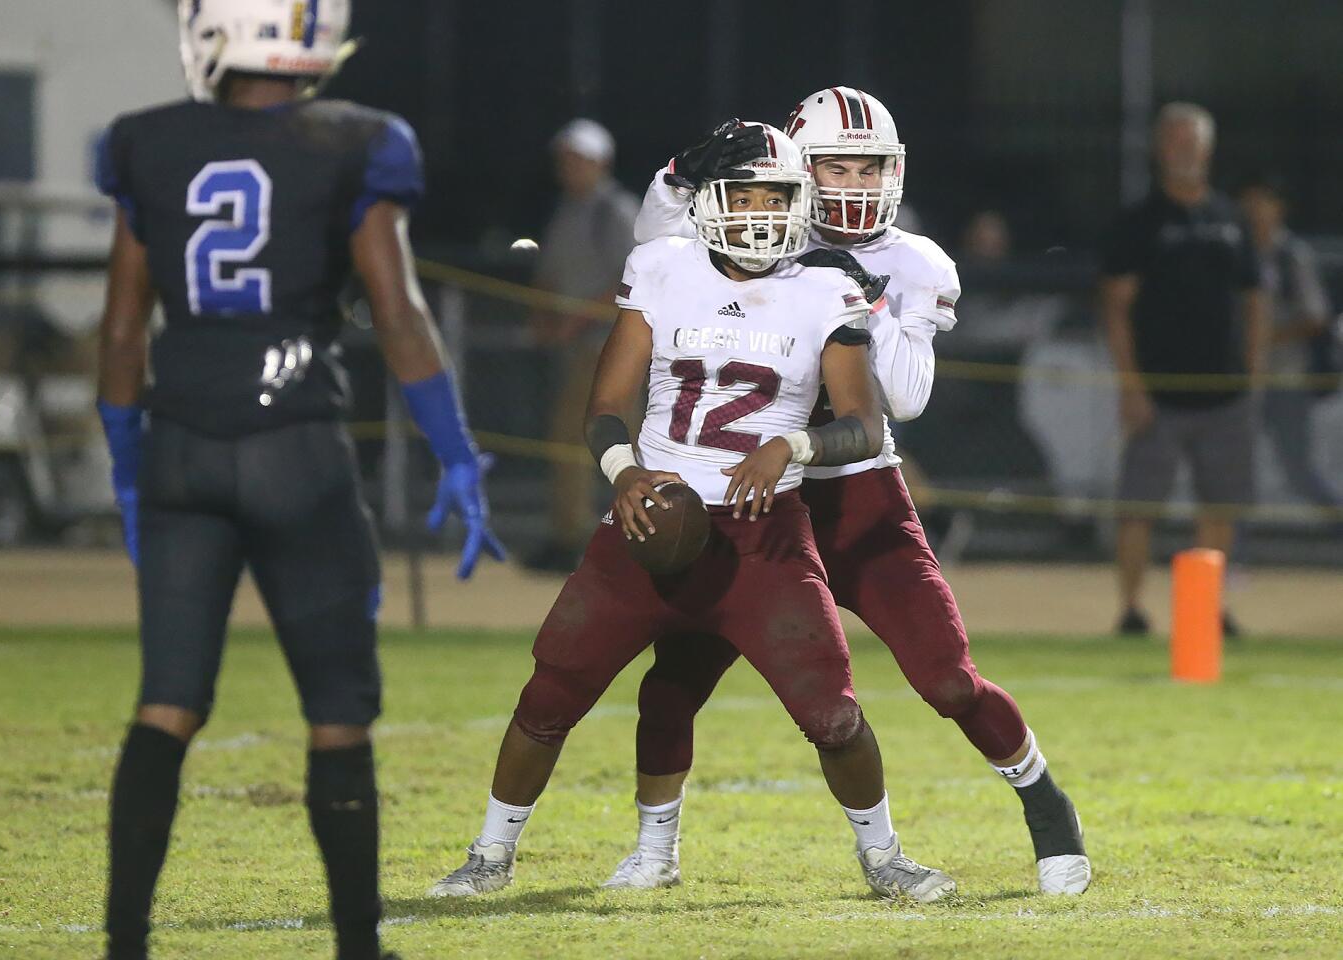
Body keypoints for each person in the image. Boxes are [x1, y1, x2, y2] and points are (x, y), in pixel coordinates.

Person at [429, 125, 955, 904]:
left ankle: (885, 860)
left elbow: (867, 424)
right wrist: (624, 472)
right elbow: (605, 405)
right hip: (652, 518)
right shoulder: (663, 268)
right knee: (550, 694)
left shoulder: (826, 286)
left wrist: (793, 448)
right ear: (710, 202)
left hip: (765, 530)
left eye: (774, 198)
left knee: (833, 715)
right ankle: (489, 856)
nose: (757, 214)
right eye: (741, 196)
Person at [93, 3, 503, 957]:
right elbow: (397, 314)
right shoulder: (354, 141)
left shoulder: (145, 142)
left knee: (168, 701)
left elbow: (120, 330)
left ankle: (123, 946)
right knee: (336, 710)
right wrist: (454, 452)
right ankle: (358, 946)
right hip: (299, 452)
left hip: (180, 446)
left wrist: (126, 473)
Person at [618, 88, 1090, 896]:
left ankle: (1047, 806)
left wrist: (857, 290)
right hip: (749, 501)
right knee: (676, 678)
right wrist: (677, 172)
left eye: (870, 166)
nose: (855, 182)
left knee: (946, 678)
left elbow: (904, 397)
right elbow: (655, 238)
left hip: (857, 492)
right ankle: (654, 849)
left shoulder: (914, 261)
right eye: (836, 164)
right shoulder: (751, 225)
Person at [1100, 102, 1268, 637]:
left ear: (1208, 149)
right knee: (1138, 505)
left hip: (1224, 390)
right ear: (1158, 149)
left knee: (1220, 506)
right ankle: (1131, 609)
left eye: (1192, 141)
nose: (1184, 151)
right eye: (1174, 141)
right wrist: (1131, 385)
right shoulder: (1138, 222)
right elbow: (1116, 307)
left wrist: (1255, 369)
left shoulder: (1230, 218)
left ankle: (1207, 610)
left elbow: (1255, 297)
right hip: (1158, 390)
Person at [525, 119, 640, 572]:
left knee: (622, 447)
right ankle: (569, 536)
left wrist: (571, 322)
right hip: (577, 349)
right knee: (568, 443)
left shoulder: (614, 210)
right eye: (564, 158)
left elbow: (630, 281)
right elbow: (549, 273)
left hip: (614, 350)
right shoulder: (568, 210)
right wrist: (542, 316)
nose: (565, 167)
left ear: (598, 162)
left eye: (575, 158)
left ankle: (633, 538)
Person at [1238, 174, 1339, 515]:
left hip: (1287, 379)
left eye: (1262, 204)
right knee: (1236, 472)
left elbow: (1317, 316)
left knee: (1299, 472)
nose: (1254, 212)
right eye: (1248, 204)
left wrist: (1264, 337)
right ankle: (1235, 556)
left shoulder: (1291, 255)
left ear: (1278, 209)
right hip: (1244, 380)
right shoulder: (1236, 250)